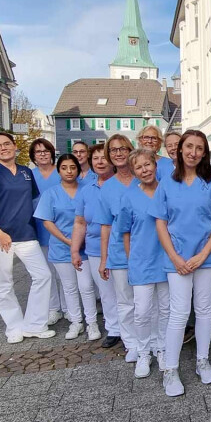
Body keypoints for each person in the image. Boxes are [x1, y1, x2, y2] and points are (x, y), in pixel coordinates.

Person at [150, 130, 211, 397]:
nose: (193, 152)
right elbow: (160, 222)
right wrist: (176, 258)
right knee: (178, 312)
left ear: (205, 152)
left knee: (204, 307)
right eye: (189, 146)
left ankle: (202, 360)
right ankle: (171, 370)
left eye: (199, 148)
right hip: (177, 258)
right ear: (180, 149)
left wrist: (203, 255)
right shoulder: (166, 183)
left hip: (207, 257)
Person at [0, 132, 55, 343]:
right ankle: (14, 327)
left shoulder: (26, 172)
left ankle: (34, 324)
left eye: (6, 144)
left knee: (43, 276)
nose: (3, 148)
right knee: (5, 283)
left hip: (26, 234)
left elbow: (36, 202)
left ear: (14, 145)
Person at [34, 154, 100, 341]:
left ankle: (92, 323)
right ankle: (76, 322)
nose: (69, 171)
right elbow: (47, 222)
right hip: (61, 248)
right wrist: (69, 241)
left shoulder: (88, 190)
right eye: (64, 167)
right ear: (59, 170)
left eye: (72, 167)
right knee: (69, 287)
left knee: (86, 287)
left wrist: (79, 243)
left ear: (78, 170)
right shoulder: (51, 193)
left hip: (85, 249)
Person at [117, 149, 170, 378]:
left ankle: (163, 347)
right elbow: (125, 232)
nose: (145, 170)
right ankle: (143, 352)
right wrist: (132, 259)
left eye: (148, 164)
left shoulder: (168, 191)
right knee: (142, 311)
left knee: (165, 309)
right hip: (142, 261)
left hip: (167, 259)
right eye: (139, 167)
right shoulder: (129, 197)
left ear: (155, 166)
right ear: (133, 172)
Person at [96, 134, 143, 363]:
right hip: (117, 252)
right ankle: (132, 343)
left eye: (123, 148)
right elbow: (105, 226)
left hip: (146, 249)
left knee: (146, 301)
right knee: (125, 301)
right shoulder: (106, 188)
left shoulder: (144, 177)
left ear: (130, 150)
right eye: (113, 150)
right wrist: (104, 259)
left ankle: (151, 342)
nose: (118, 153)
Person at [71, 144, 121, 348]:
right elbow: (80, 222)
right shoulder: (86, 190)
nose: (100, 162)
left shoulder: (123, 185)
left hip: (121, 246)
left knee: (126, 290)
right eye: (95, 158)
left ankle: (133, 328)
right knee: (106, 290)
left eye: (104, 157)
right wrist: (75, 250)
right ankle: (114, 328)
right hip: (93, 248)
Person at [29, 138, 66, 325]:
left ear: (52, 153)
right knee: (47, 272)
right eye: (38, 152)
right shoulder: (29, 175)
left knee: (64, 272)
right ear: (33, 156)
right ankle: (53, 308)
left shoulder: (61, 173)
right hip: (39, 227)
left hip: (61, 227)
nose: (42, 154)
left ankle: (68, 307)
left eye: (46, 151)